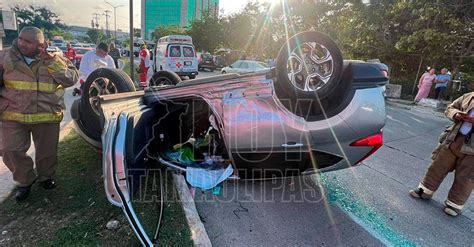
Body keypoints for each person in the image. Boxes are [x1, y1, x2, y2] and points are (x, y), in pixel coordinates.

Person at [0, 26, 79, 201]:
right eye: (20, 39)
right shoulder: (5, 56)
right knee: (9, 149)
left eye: (28, 41)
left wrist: (51, 62)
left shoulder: (56, 58)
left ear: (41, 44)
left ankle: (46, 177)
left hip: (46, 114)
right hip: (13, 115)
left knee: (47, 152)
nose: (22, 43)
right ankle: (25, 180)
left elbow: (71, 79)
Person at [409, 91, 474, 216]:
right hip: (453, 139)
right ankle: (425, 190)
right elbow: (451, 107)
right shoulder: (469, 96)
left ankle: (454, 205)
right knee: (437, 167)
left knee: (466, 178)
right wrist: (456, 115)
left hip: (472, 151)